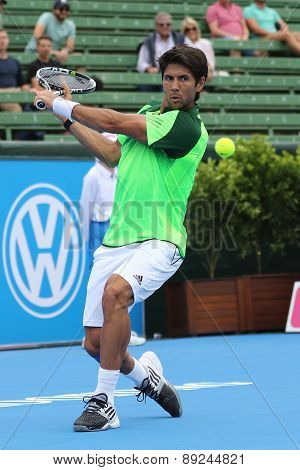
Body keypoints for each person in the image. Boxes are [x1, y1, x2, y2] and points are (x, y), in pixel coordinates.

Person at [34, 44, 209, 432]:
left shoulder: (187, 127)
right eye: (169, 78)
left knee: (116, 294)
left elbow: (113, 121)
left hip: (160, 239)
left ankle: (104, 405)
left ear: (200, 84)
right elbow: (111, 153)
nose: (175, 86)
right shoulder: (150, 113)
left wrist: (64, 105)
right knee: (96, 345)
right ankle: (146, 378)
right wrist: (67, 120)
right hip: (118, 238)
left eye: (184, 79)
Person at [80, 150, 146, 347]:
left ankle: (121, 331)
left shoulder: (120, 172)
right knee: (101, 284)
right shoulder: (92, 176)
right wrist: (88, 241)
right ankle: (94, 335)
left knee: (122, 282)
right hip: (98, 231)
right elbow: (84, 209)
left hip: (120, 229)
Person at [0, 29, 28, 113]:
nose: (2, 41)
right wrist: (12, 91)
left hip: (17, 95)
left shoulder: (14, 62)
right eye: (0, 38)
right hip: (2, 97)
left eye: (4, 38)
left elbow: (22, 85)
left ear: (8, 40)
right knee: (15, 108)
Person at [182, 16, 215, 81]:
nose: (191, 31)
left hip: (203, 70)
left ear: (197, 29)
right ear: (184, 32)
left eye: (193, 28)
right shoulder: (182, 44)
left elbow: (210, 63)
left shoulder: (206, 43)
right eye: (187, 30)